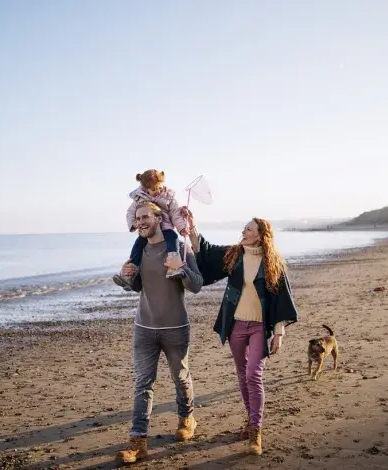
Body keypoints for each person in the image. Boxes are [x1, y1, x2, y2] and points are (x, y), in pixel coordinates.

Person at [183, 207, 298, 456]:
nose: (243, 232)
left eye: (248, 229)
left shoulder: (272, 263)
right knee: (242, 373)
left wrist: (279, 332)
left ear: (260, 236)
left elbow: (280, 298)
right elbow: (206, 251)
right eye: (244, 228)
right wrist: (192, 226)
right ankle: (250, 418)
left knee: (253, 374)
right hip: (235, 324)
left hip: (259, 327)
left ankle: (256, 430)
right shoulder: (234, 255)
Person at [115, 202, 203, 464]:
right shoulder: (139, 251)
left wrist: (180, 267)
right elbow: (135, 286)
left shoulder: (179, 247)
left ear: (158, 218)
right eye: (137, 217)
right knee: (143, 384)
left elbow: (196, 285)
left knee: (180, 377)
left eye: (145, 217)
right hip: (144, 328)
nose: (140, 221)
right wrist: (125, 275)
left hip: (175, 327)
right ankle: (138, 442)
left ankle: (187, 418)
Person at [113, 169, 189, 290]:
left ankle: (173, 268)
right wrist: (134, 224)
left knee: (173, 238)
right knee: (138, 244)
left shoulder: (168, 196)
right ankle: (130, 273)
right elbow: (130, 212)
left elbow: (175, 213)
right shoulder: (139, 198)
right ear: (145, 189)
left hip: (166, 227)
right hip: (148, 230)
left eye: (159, 187)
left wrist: (182, 228)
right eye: (153, 190)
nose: (157, 191)